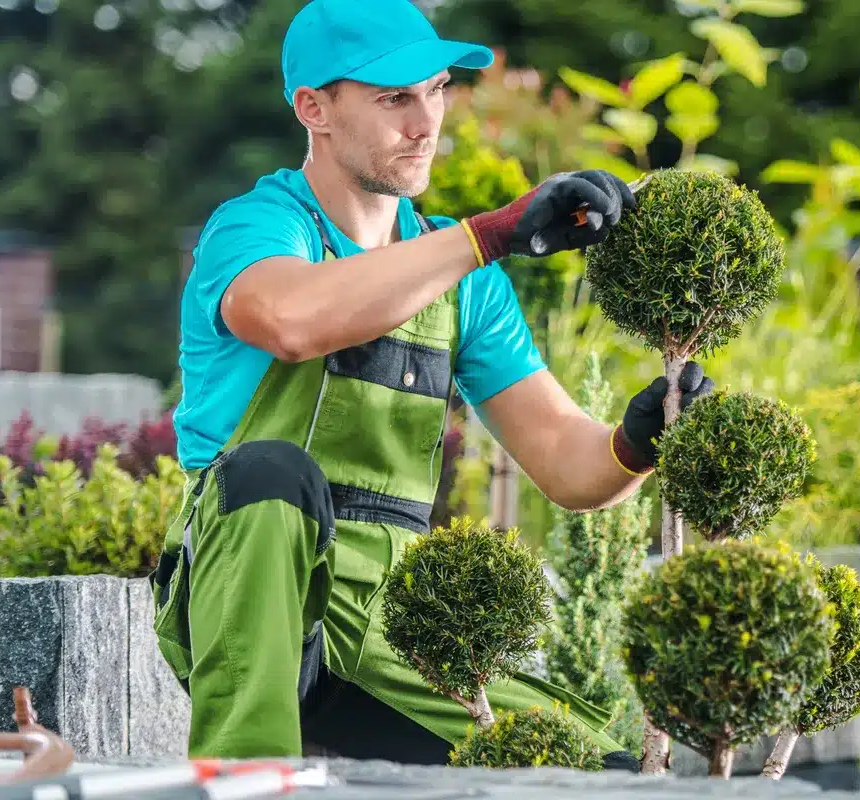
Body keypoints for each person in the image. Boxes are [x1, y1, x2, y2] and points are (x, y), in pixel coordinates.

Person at [149, 0, 715, 769]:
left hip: (400, 625)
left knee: (605, 772)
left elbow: (566, 464)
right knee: (269, 473)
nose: (426, 123)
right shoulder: (258, 227)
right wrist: (488, 235)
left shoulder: (463, 280)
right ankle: (247, 776)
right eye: (393, 99)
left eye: (437, 90)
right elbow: (291, 318)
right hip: (252, 591)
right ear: (312, 108)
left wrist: (639, 438)